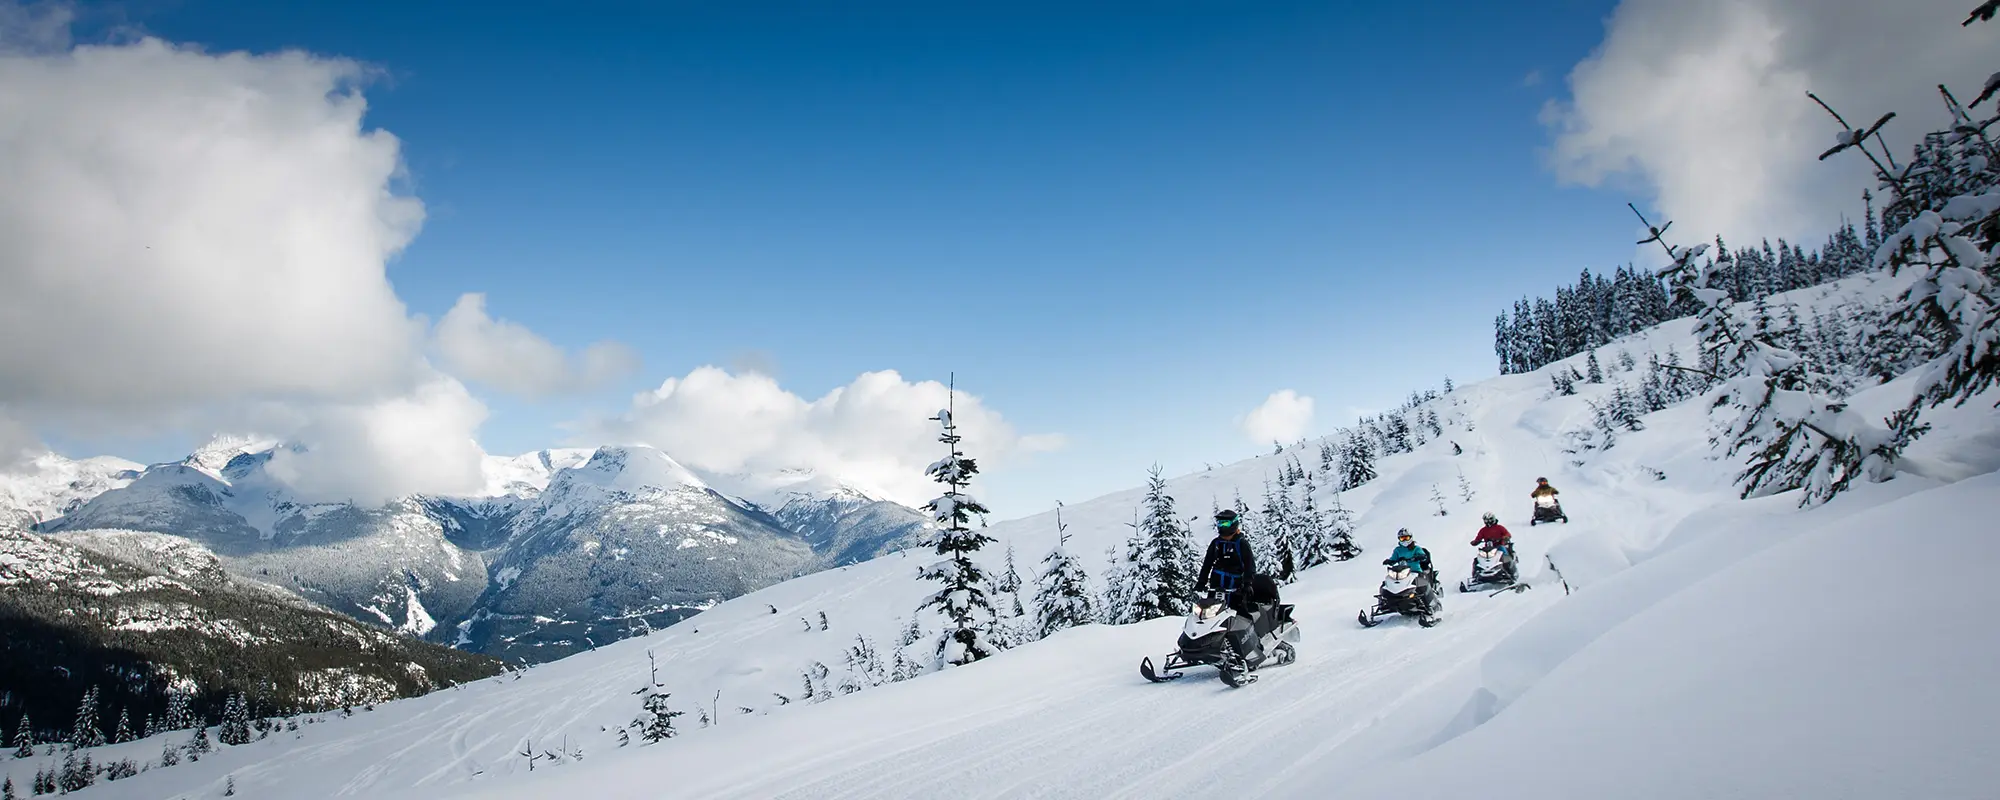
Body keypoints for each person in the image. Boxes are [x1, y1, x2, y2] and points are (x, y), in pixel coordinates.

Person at [1198, 510, 1258, 612]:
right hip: (1216, 585)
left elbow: (1249, 565)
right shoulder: (1216, 543)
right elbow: (1207, 564)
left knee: (1237, 614)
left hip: (1235, 587)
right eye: (1220, 523)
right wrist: (1201, 582)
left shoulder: (1241, 544)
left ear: (1233, 524)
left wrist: (1248, 584)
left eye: (1225, 523)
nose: (1222, 526)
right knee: (1209, 612)